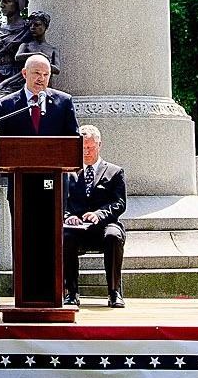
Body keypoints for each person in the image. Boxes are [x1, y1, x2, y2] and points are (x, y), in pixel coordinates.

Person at [63, 124, 127, 308]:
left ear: (99, 145)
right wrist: (68, 216)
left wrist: (99, 214)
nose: (86, 151)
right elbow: (60, 201)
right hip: (77, 227)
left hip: (105, 225)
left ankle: (114, 292)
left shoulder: (115, 172)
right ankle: (71, 292)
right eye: (82, 147)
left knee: (114, 236)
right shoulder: (68, 173)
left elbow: (119, 203)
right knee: (65, 236)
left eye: (90, 147)